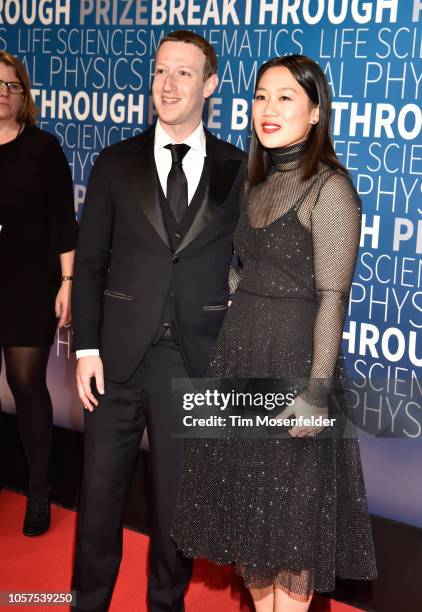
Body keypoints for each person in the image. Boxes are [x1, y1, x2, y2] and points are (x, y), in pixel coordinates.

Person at [172, 55, 377, 612]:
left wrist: (314, 392)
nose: (268, 108)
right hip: (240, 358)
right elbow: (249, 264)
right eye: (261, 95)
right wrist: (239, 287)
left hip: (294, 366)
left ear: (315, 112)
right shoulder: (256, 184)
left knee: (290, 527)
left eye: (286, 97)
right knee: (250, 521)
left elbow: (334, 295)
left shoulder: (329, 189)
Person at [71, 30, 246, 611]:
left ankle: (166, 606)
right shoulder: (115, 163)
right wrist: (85, 350)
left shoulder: (237, 169)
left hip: (193, 363)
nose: (167, 85)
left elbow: (253, 266)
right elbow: (90, 263)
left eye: (183, 73)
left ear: (210, 85)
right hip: (115, 362)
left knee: (176, 512)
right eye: (160, 71)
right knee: (98, 504)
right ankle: (87, 602)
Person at [0, 51, 78, 536]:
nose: (3, 92)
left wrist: (68, 283)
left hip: (30, 284)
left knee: (26, 383)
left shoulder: (44, 148)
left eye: (11, 85)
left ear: (24, 95)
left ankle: (38, 489)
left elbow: (63, 222)